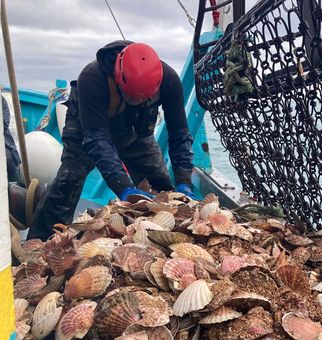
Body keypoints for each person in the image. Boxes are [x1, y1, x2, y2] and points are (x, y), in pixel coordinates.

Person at [27, 40, 197, 241]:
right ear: (119, 77)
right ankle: (39, 245)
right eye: (134, 97)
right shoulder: (92, 77)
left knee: (161, 191)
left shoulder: (169, 80)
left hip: (134, 132)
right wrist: (123, 187)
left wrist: (184, 181)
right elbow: (96, 139)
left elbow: (179, 133)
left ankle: (160, 240)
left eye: (144, 99)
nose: (139, 102)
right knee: (67, 182)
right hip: (88, 129)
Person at [2, 94, 21, 183]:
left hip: (3, 143)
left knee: (7, 159)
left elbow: (3, 125)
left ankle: (17, 187)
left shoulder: (1, 101)